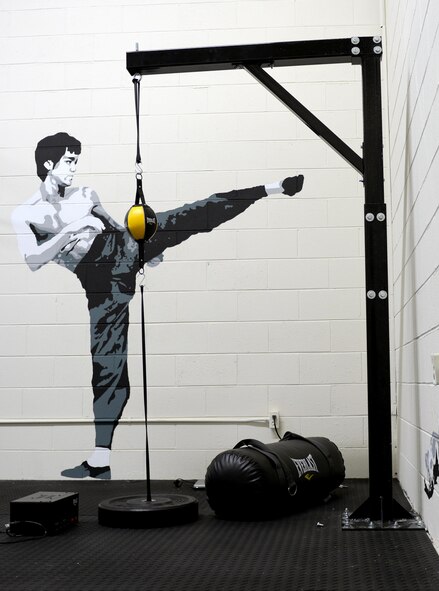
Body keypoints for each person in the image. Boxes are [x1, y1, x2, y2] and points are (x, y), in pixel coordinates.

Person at [12, 132, 304, 479]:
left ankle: (270, 188)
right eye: (69, 161)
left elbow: (112, 225)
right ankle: (100, 459)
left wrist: (144, 250)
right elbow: (32, 259)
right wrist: (71, 231)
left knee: (190, 215)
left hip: (121, 249)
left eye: (77, 160)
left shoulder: (86, 194)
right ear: (48, 163)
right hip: (97, 281)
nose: (75, 168)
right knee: (108, 364)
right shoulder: (27, 213)